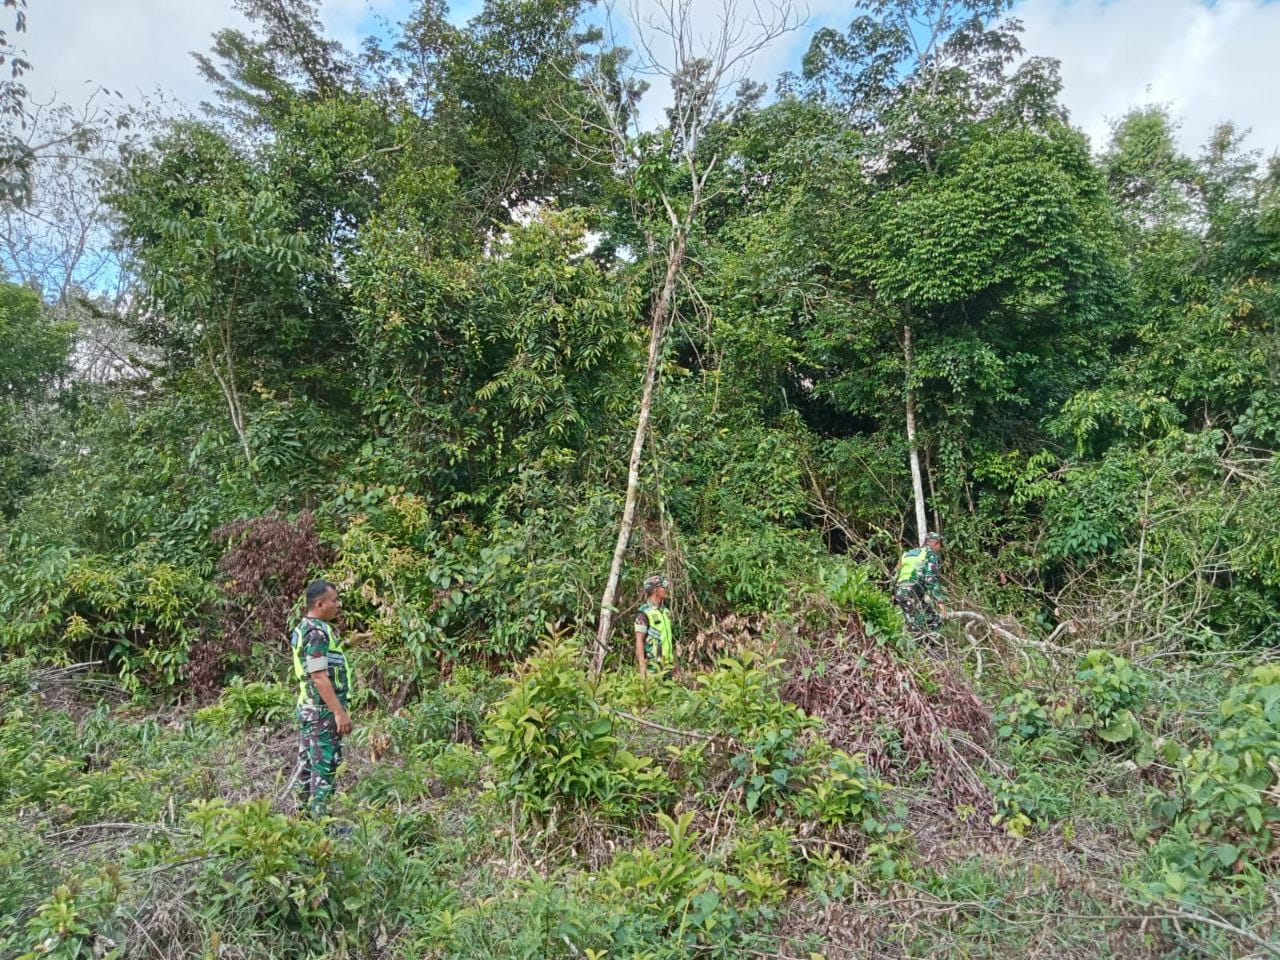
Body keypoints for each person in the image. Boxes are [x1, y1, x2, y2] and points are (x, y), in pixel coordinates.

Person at [290, 579, 353, 815]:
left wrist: (348, 644)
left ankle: (303, 820)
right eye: (334, 600)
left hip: (310, 708)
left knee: (307, 767)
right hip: (322, 712)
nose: (338, 604)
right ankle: (321, 826)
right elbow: (318, 675)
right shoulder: (316, 633)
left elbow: (321, 660)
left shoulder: (305, 627)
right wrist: (339, 712)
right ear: (319, 604)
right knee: (325, 767)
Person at [893, 532, 946, 638]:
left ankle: (929, 644)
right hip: (912, 593)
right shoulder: (930, 554)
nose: (939, 549)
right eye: (940, 546)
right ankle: (919, 644)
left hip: (901, 591)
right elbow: (931, 579)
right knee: (917, 626)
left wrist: (893, 594)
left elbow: (895, 573)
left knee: (933, 618)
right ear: (936, 544)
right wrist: (940, 602)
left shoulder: (907, 554)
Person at [634, 574, 674, 676]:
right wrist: (642, 665)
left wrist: (675, 664)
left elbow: (668, 639)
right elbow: (639, 640)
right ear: (656, 590)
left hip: (667, 665)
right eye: (663, 587)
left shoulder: (666, 612)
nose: (666, 590)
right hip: (653, 665)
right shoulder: (643, 612)